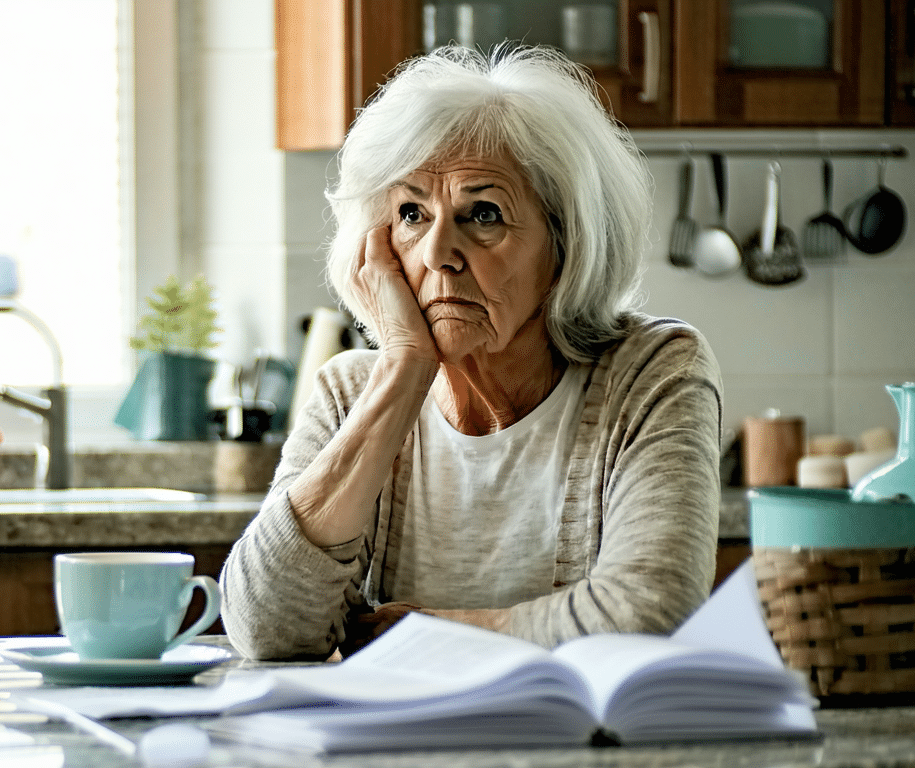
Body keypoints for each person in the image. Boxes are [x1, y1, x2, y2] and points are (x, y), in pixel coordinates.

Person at [220, 44, 723, 660]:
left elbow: (649, 612)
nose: (437, 253)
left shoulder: (653, 372)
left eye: (482, 214)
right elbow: (266, 629)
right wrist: (404, 368)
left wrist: (432, 632)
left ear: (566, 247)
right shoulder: (351, 392)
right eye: (411, 213)